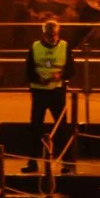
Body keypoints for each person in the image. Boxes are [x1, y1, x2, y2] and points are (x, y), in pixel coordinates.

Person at [26, 22, 72, 151]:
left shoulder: (64, 46)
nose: (52, 38)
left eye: (55, 35)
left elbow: (71, 70)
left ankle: (66, 161)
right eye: (49, 35)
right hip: (39, 91)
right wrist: (38, 79)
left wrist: (61, 75)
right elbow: (28, 70)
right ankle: (32, 161)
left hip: (57, 90)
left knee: (61, 126)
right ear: (44, 34)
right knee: (35, 126)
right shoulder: (35, 47)